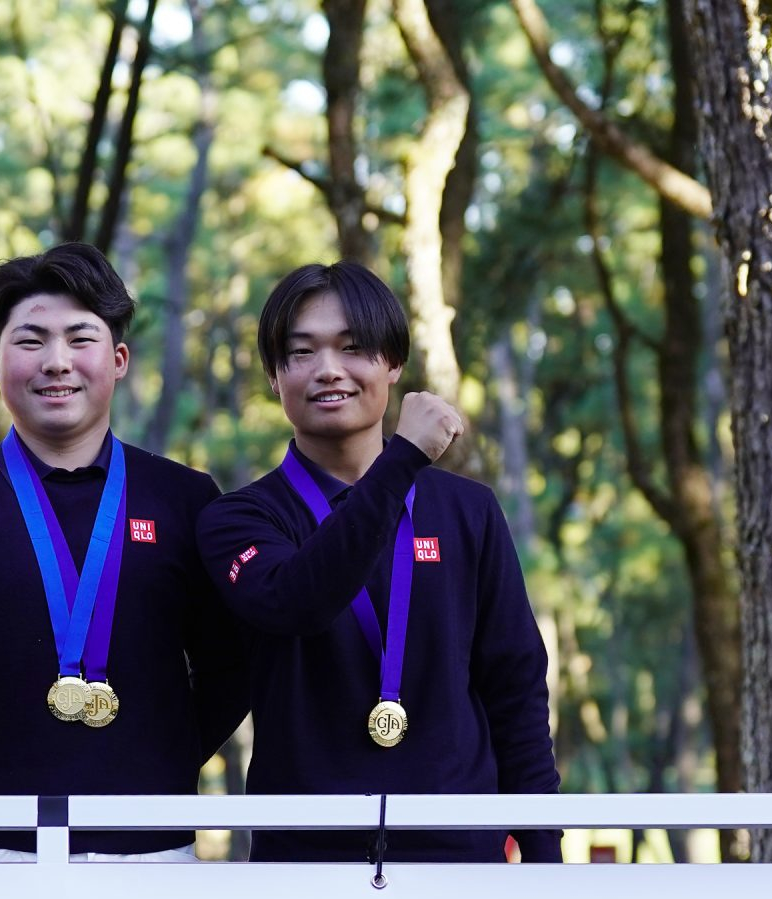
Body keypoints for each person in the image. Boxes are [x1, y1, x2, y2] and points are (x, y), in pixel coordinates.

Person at [0, 243, 248, 859]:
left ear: (118, 360)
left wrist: (162, 756)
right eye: (30, 341)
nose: (57, 362)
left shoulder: (183, 499)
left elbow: (233, 662)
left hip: (150, 849)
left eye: (80, 339)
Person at [198, 261, 559, 862]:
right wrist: (404, 460)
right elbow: (298, 601)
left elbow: (515, 686)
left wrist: (546, 858)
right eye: (301, 352)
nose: (328, 369)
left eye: (353, 348)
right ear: (274, 377)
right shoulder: (239, 518)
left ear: (392, 362)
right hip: (304, 862)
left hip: (459, 856)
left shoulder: (468, 511)